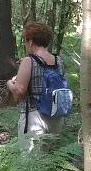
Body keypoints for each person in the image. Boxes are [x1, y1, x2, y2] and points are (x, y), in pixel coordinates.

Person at [6, 22, 65, 153]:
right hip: (56, 117)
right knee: (46, 161)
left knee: (30, 164)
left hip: (35, 118)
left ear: (31, 41)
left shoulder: (29, 60)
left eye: (26, 41)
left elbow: (20, 91)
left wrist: (10, 84)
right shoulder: (58, 61)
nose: (26, 44)